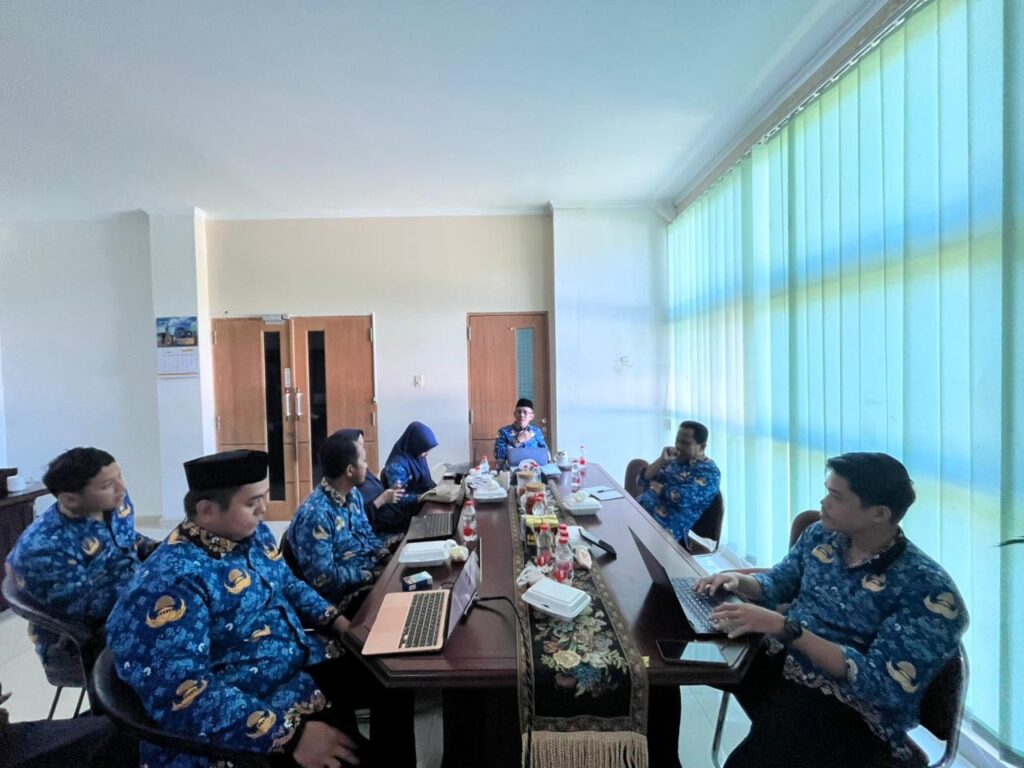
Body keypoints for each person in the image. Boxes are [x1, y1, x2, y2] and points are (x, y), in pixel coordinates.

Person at [697, 452, 968, 768]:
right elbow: (778, 584)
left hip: (850, 710)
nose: (823, 503)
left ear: (879, 513)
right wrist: (737, 581)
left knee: (755, 758)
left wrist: (785, 628)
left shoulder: (927, 590)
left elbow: (881, 687)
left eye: (836, 497)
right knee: (660, 670)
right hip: (782, 664)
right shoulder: (821, 535)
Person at [105, 449, 368, 768]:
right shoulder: (171, 582)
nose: (263, 510)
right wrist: (290, 736)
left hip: (295, 661)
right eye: (252, 502)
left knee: (388, 677)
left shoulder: (251, 535)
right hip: (249, 712)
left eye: (264, 497)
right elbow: (184, 695)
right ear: (206, 510)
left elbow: (288, 583)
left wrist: (340, 623)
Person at [6, 447, 158, 679]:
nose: (122, 488)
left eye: (120, 476)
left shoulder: (113, 503)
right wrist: (155, 585)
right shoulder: (44, 548)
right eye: (107, 485)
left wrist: (169, 549)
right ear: (70, 499)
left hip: (131, 601)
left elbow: (127, 540)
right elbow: (87, 610)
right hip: (81, 643)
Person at [287, 431, 391, 615]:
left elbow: (365, 532)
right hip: (344, 597)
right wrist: (370, 576)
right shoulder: (316, 515)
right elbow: (324, 577)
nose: (367, 466)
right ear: (350, 470)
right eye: (364, 461)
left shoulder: (353, 494)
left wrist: (387, 558)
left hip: (371, 573)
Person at [637, 420, 720, 546]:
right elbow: (642, 479)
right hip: (641, 512)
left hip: (663, 529)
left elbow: (681, 498)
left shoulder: (709, 472)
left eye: (685, 443)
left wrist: (654, 485)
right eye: (677, 441)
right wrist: (661, 461)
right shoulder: (674, 459)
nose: (678, 446)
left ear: (702, 447)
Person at [334, 428, 405, 538]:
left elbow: (375, 493)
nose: (363, 450)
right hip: (377, 532)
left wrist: (389, 492)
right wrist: (382, 499)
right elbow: (356, 523)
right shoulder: (343, 489)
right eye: (359, 445)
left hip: (384, 526)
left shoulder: (363, 474)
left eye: (363, 445)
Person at [379, 421, 438, 533]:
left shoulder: (417, 456)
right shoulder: (397, 466)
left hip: (420, 507)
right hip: (403, 516)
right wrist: (422, 497)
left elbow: (426, 482)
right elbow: (398, 498)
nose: (426, 454)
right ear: (414, 445)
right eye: (424, 450)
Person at [493, 398, 547, 468]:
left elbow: (545, 454)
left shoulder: (536, 432)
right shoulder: (503, 432)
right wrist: (517, 441)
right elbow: (498, 455)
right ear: (515, 414)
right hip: (510, 470)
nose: (521, 415)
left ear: (531, 416)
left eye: (525, 412)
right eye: (519, 412)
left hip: (533, 470)